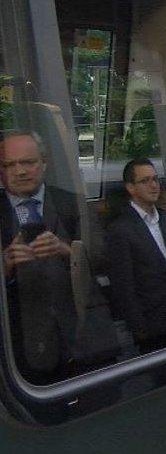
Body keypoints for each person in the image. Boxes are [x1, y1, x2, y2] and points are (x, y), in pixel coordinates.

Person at [0, 130, 80, 383]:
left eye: (28, 162)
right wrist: (5, 266)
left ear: (44, 163)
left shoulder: (72, 203)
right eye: (10, 165)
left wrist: (67, 251)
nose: (20, 171)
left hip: (83, 343)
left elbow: (105, 259)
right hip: (20, 354)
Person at [107, 158, 166, 353]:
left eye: (155, 179)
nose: (153, 185)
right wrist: (140, 330)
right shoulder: (120, 230)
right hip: (154, 329)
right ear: (131, 188)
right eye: (145, 181)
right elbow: (124, 286)